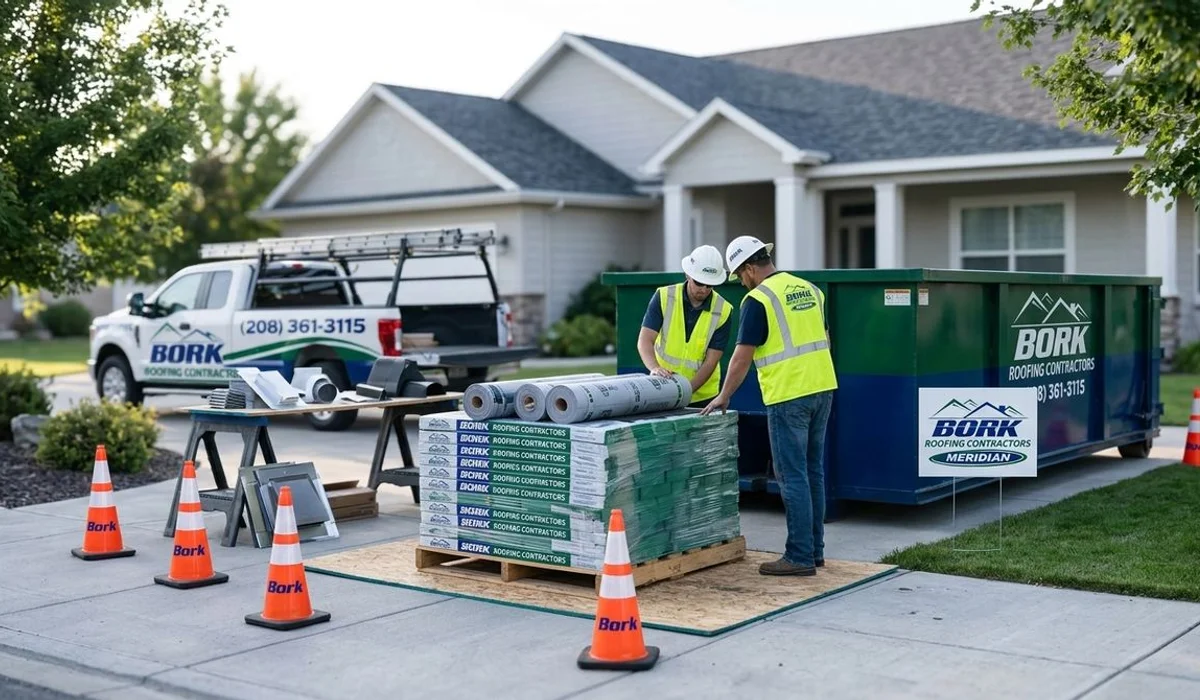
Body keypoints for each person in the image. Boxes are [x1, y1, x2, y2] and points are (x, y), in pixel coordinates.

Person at [700, 235, 837, 577]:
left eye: (739, 275)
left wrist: (724, 394)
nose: (740, 282)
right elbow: (825, 339)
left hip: (789, 395)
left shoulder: (758, 300)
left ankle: (799, 556)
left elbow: (741, 357)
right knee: (812, 471)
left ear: (749, 268)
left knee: (791, 476)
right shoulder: (811, 289)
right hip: (823, 388)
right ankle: (814, 551)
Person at [637, 244, 732, 406]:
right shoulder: (664, 297)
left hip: (703, 396)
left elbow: (711, 361)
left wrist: (684, 392)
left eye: (710, 285)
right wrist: (654, 368)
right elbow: (645, 340)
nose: (704, 289)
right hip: (664, 389)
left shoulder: (723, 310)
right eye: (699, 282)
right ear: (688, 274)